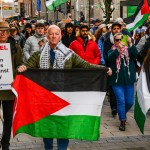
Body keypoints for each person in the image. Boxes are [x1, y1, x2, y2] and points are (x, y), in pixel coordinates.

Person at [17, 24, 112, 150]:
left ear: (60, 36)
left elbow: (85, 65)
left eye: (56, 34)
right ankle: (48, 148)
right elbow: (26, 66)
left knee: (63, 126)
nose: (54, 36)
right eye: (51, 34)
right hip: (45, 98)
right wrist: (21, 68)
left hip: (64, 97)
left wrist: (103, 69)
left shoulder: (69, 54)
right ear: (47, 35)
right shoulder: (38, 55)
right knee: (47, 126)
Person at [108, 32, 138, 131]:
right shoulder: (111, 50)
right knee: (121, 101)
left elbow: (136, 54)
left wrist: (130, 44)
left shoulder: (129, 50)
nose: (119, 41)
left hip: (128, 80)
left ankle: (122, 113)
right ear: (114, 41)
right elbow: (110, 58)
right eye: (117, 40)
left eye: (121, 39)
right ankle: (122, 121)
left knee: (129, 102)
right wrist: (118, 50)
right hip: (116, 82)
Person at [0, 21, 23, 150]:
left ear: (9, 33)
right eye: (0, 31)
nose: (2, 34)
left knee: (8, 118)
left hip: (9, 87)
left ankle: (5, 143)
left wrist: (20, 68)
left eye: (5, 31)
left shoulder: (16, 47)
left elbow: (19, 63)